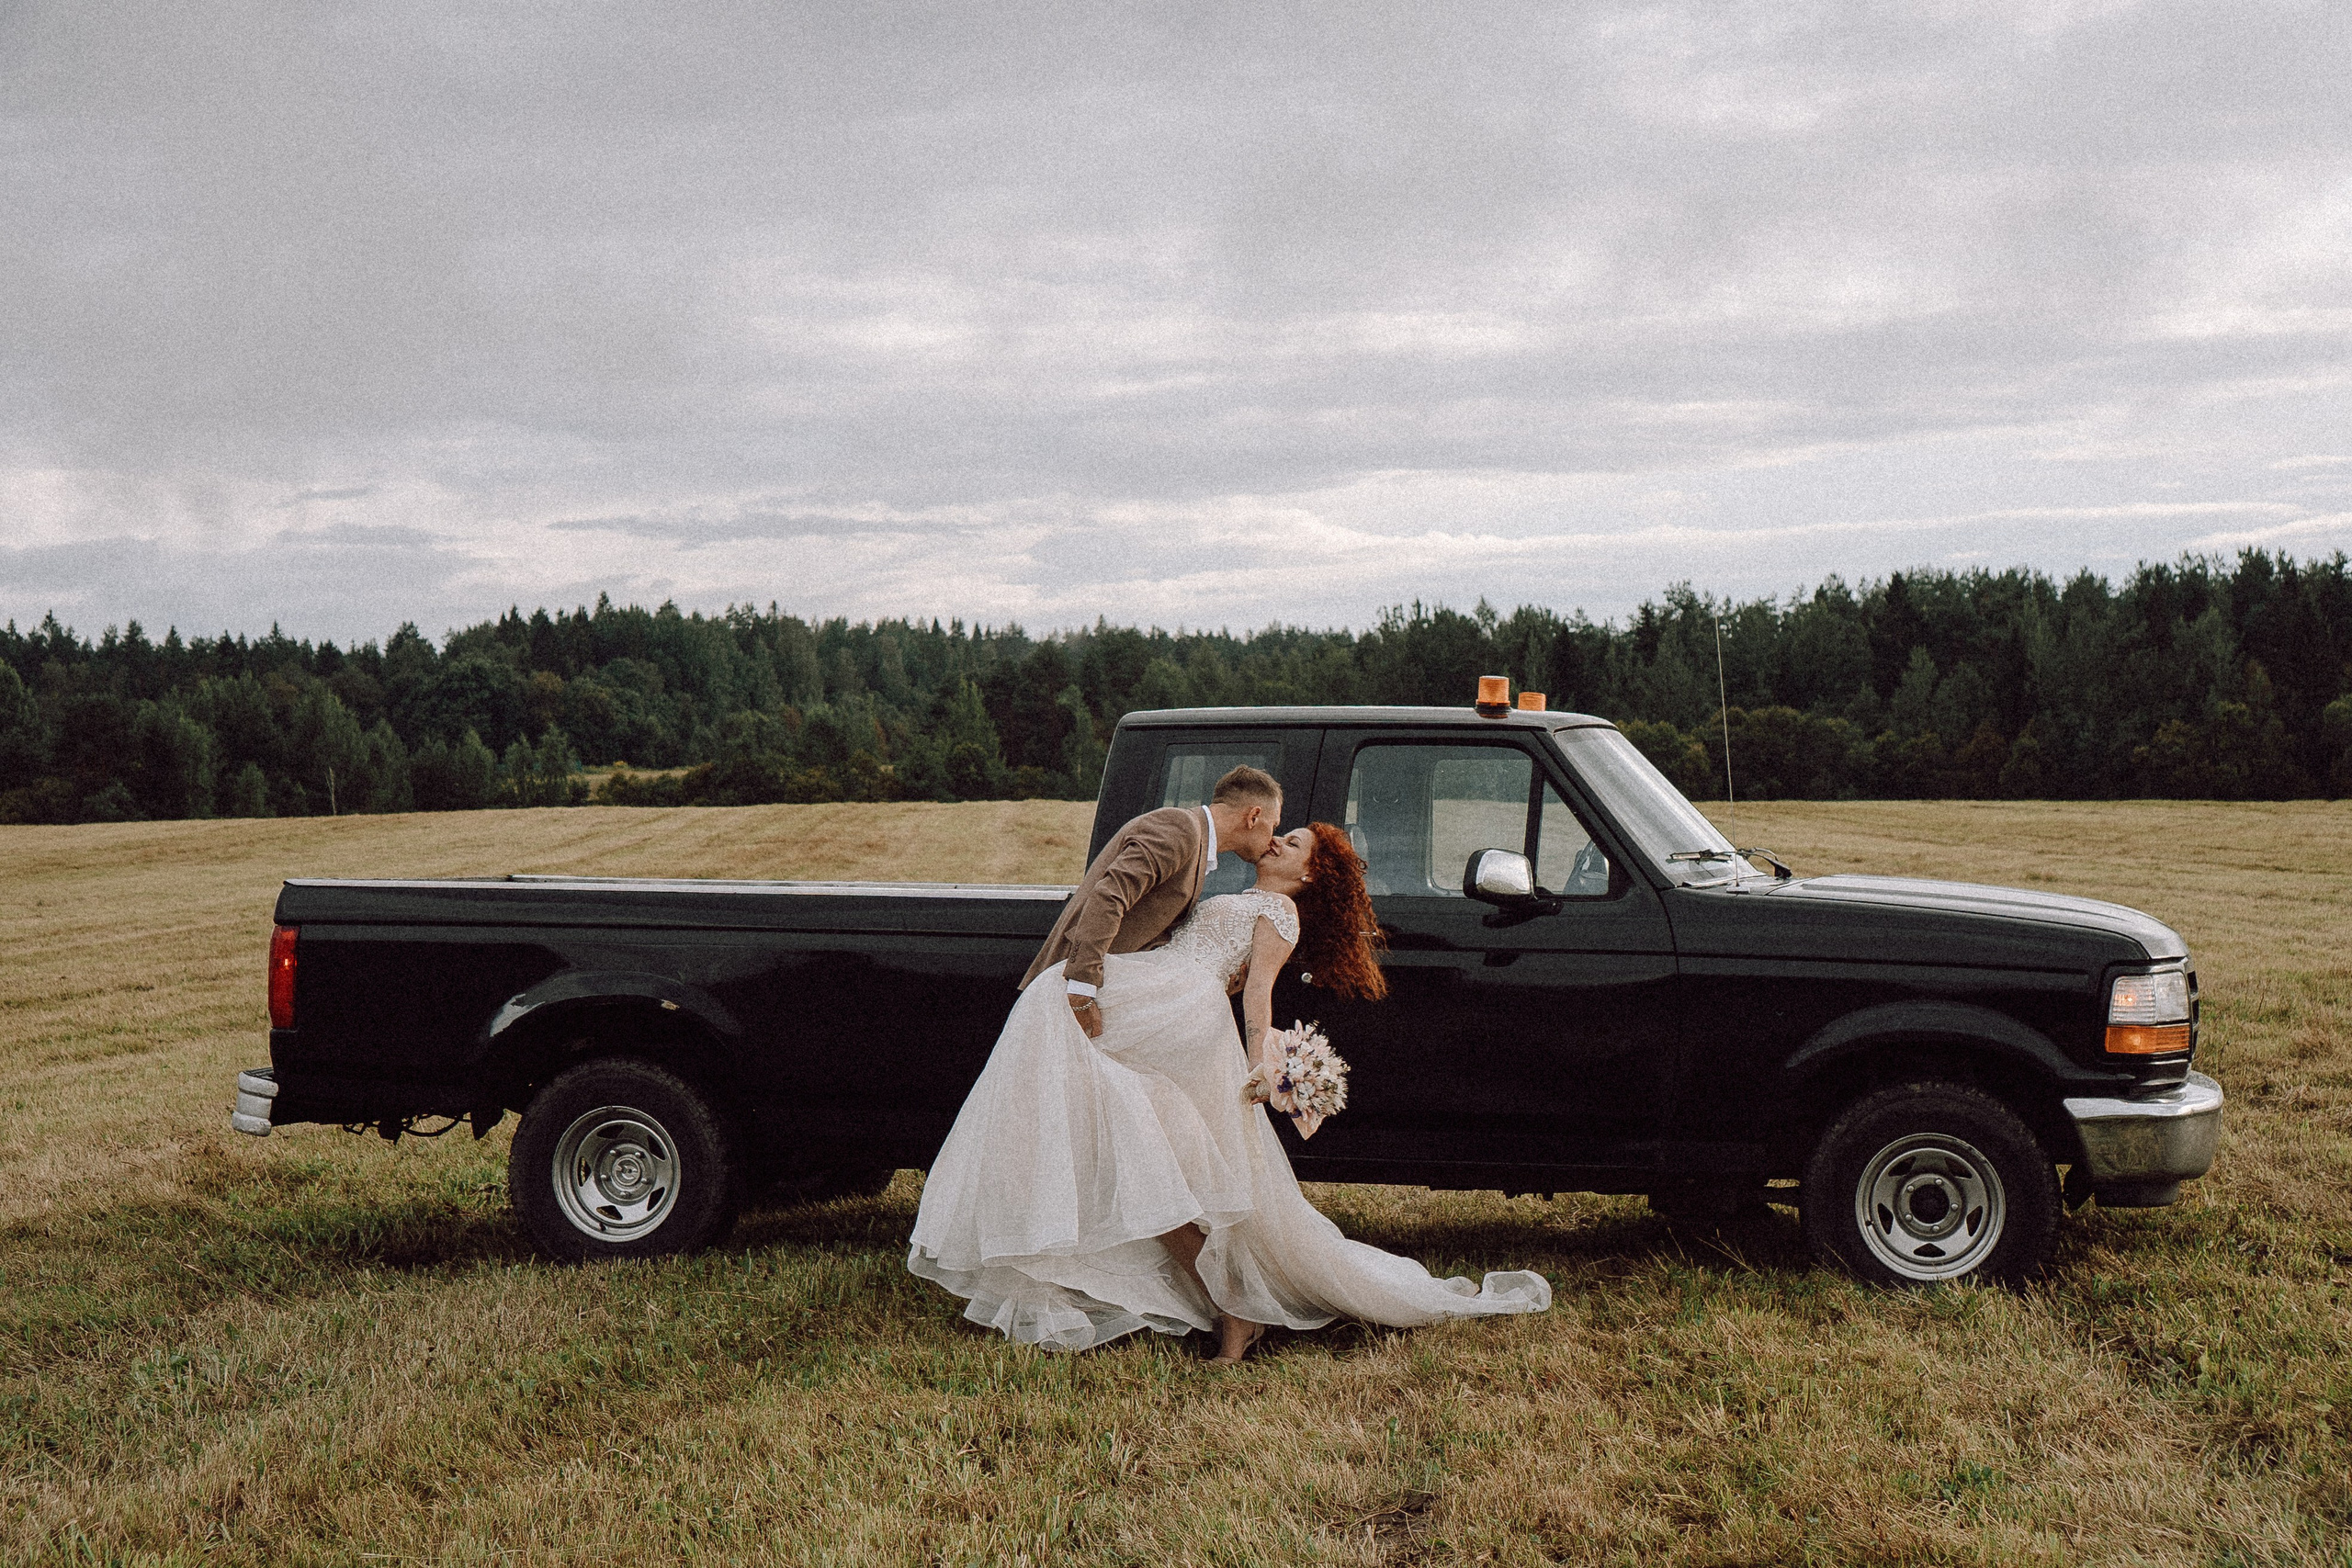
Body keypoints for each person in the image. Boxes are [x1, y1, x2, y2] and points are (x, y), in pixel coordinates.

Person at [907, 815, 1553, 1361]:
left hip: (1180, 1008)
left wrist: (1259, 1068)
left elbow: (1261, 997)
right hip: (1167, 987)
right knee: (1132, 1135)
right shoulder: (1241, 895)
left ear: (1307, 876)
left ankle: (1237, 1307)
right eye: (1284, 834)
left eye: (1293, 844)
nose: (1277, 842)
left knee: (1056, 1004)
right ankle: (1225, 1304)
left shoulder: (1279, 910)